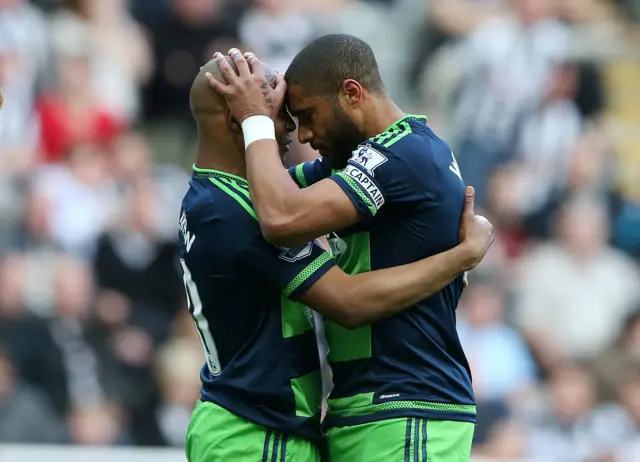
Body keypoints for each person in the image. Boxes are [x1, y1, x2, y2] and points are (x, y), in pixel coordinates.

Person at [184, 56, 493, 462]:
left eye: (303, 115)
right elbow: (346, 298)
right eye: (279, 114)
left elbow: (304, 196)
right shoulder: (236, 212)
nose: (297, 131)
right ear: (237, 117)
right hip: (256, 433)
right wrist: (460, 258)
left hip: (389, 410)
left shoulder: (217, 196)